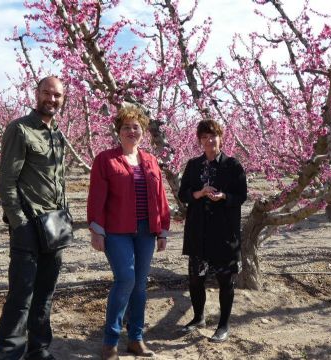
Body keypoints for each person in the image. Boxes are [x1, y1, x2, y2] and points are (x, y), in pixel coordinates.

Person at [0, 76, 69, 360]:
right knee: (21, 297)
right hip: (28, 225)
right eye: (47, 93)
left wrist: (66, 216)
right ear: (36, 94)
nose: (52, 99)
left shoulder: (58, 134)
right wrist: (18, 222)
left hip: (55, 226)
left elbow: (58, 181)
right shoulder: (20, 129)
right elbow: (6, 181)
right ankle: (9, 354)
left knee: (45, 295)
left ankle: (39, 350)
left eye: (57, 95)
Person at [87, 105, 170, 360]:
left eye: (136, 127)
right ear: (118, 132)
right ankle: (110, 342)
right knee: (126, 279)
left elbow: (160, 195)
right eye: (126, 127)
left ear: (143, 132)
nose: (131, 131)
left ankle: (135, 339)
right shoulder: (105, 159)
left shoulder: (150, 160)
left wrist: (163, 229)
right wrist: (96, 230)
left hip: (146, 230)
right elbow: (97, 197)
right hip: (116, 231)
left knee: (140, 286)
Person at [178, 119, 247, 343]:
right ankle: (198, 317)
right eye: (205, 137)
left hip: (224, 232)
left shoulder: (233, 165)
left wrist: (224, 196)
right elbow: (183, 193)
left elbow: (241, 195)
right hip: (199, 230)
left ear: (221, 138)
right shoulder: (193, 165)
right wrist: (198, 193)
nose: (209, 141)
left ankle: (223, 325)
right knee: (196, 279)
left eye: (213, 136)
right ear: (200, 140)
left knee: (225, 279)